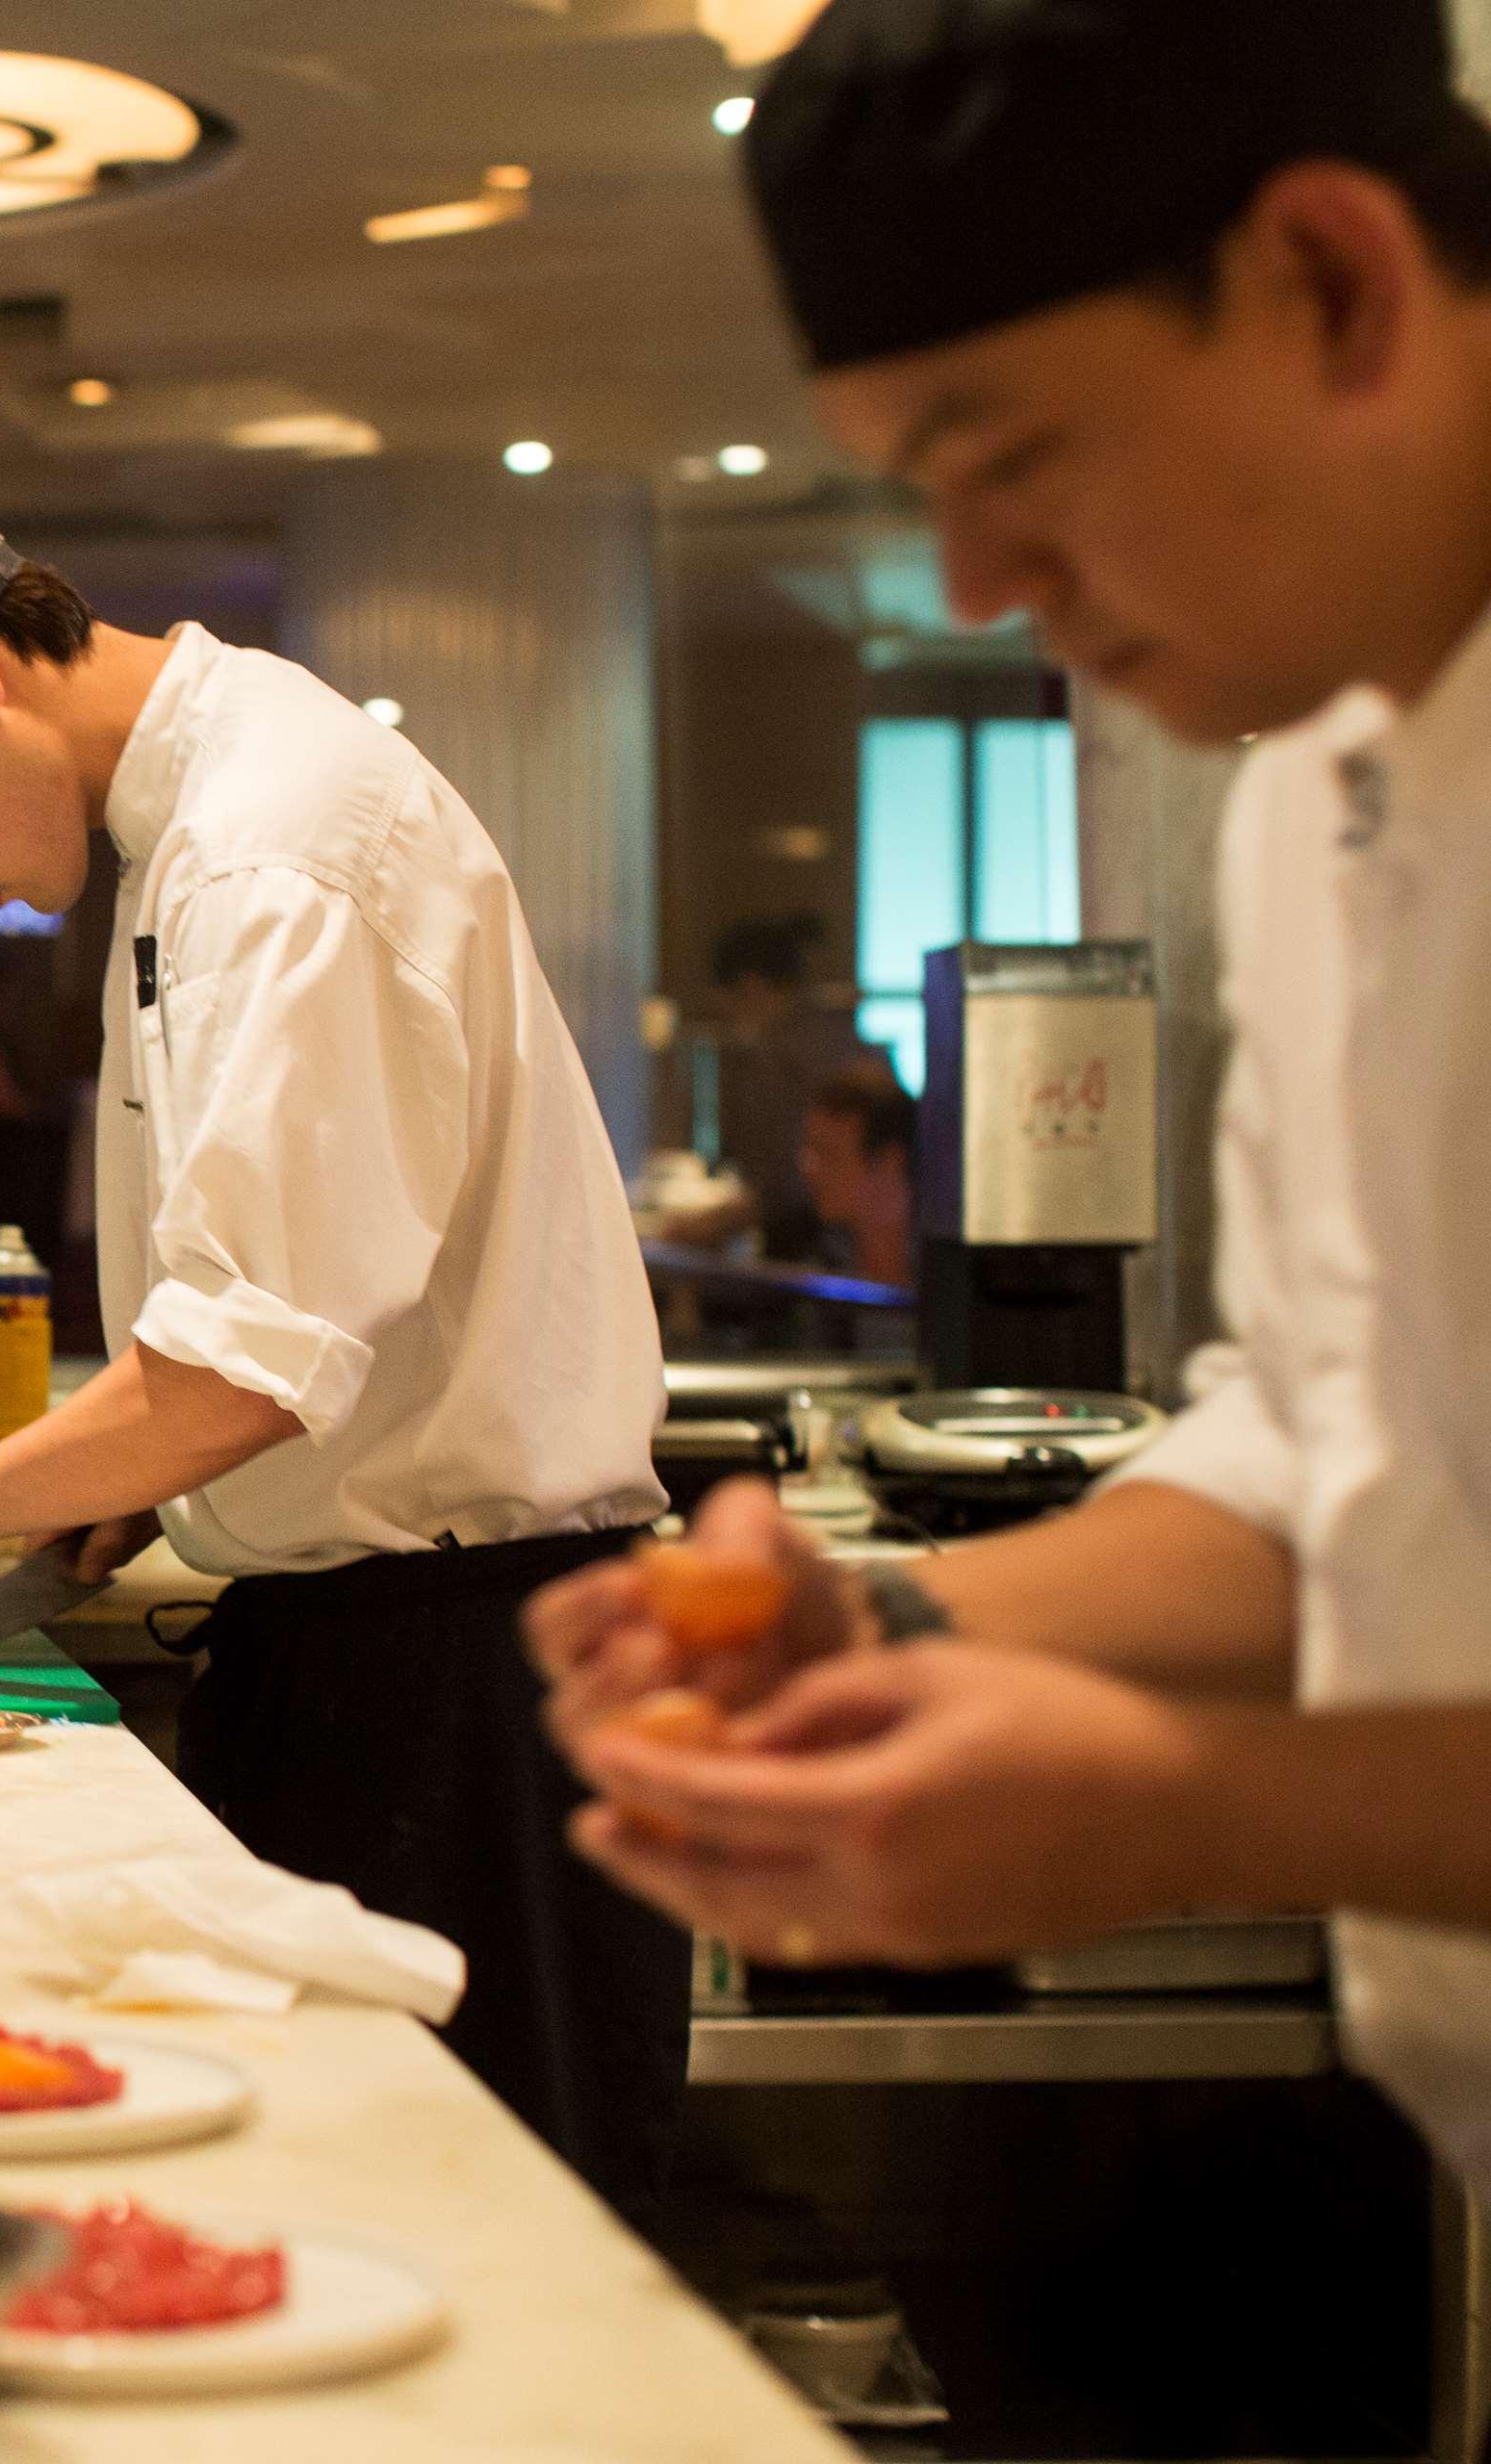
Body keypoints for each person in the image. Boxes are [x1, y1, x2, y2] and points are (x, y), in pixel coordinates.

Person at [527, 0, 1491, 2200]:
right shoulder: (1308, 776)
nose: (970, 585)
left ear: (1332, 281)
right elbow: (1320, 1447)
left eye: (1010, 456)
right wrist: (888, 1634)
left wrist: (1190, 1802)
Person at [0, 483, 681, 2203]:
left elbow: (240, 1367)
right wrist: (129, 1494)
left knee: (492, 2268)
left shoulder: (268, 849)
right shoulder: (211, 815)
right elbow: (318, 1302)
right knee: (339, 2225)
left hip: (468, 1698)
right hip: (380, 1654)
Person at [658, 915, 883, 1258]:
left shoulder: (779, 1055)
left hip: (822, 1245)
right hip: (871, 1235)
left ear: (750, 986)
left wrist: (710, 1225)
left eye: (725, 1001)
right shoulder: (842, 1034)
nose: (726, 1017)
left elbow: (787, 1186)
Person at [796, 1058, 916, 1291]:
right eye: (809, 1150)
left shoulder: (949, 1273)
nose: (809, 1169)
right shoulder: (822, 1256)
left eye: (828, 1153)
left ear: (889, 1163)